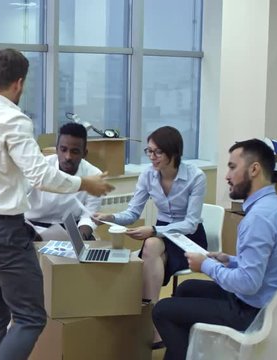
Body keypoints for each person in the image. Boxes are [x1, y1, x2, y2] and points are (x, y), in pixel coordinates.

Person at [0, 48, 114, 360]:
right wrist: (85, 183)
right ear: (19, 83)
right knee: (30, 317)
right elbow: (39, 175)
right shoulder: (14, 118)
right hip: (1, 230)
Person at [152, 138, 277, 360]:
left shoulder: (258, 218)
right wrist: (230, 260)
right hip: (274, 303)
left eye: (232, 167)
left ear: (254, 169)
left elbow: (248, 283)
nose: (226, 176)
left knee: (163, 310)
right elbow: (272, 264)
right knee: (187, 289)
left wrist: (206, 265)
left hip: (252, 312)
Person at [93, 125, 207, 349]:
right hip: (162, 234)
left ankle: (150, 320)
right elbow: (133, 213)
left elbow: (191, 223)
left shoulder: (196, 177)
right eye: (149, 151)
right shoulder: (148, 175)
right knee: (152, 247)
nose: (151, 157)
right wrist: (110, 217)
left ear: (173, 153)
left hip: (189, 236)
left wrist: (154, 230)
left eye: (157, 152)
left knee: (151, 246)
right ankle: (154, 319)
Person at [25, 122, 102, 240]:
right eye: (63, 149)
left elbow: (89, 215)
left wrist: (80, 237)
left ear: (84, 154)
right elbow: (17, 200)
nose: (68, 157)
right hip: (34, 227)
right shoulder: (39, 167)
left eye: (75, 151)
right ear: (56, 150)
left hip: (72, 231)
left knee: (87, 252)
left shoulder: (94, 175)